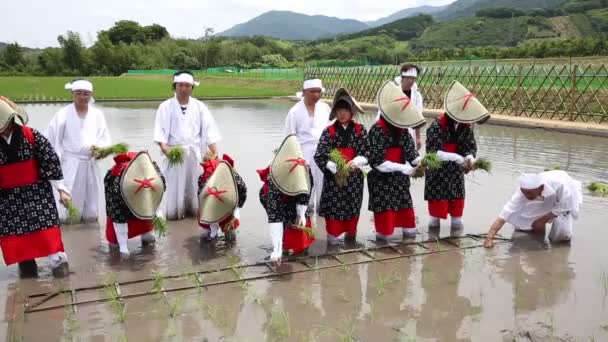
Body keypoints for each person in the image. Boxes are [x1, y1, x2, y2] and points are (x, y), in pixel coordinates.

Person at [0, 96, 70, 277]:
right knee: (20, 244)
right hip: (8, 200)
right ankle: (28, 280)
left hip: (37, 195)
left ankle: (61, 273)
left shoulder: (31, 136)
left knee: (49, 235)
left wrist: (62, 190)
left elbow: (51, 163)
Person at [153, 70, 222, 220]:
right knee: (173, 189)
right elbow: (160, 133)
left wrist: (215, 154)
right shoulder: (165, 107)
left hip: (195, 156)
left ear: (192, 88)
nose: (184, 89)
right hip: (175, 155)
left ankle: (194, 216)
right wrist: (166, 150)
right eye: (180, 85)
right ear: (175, 87)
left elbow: (209, 130)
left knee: (195, 186)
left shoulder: (200, 107)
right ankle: (172, 216)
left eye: (187, 86)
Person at [425, 80, 490, 230]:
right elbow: (433, 153)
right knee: (435, 216)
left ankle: (456, 243)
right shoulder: (437, 125)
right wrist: (456, 157)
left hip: (455, 174)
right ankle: (433, 245)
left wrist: (469, 158)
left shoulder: (465, 127)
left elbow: (470, 146)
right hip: (438, 174)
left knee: (457, 218)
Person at [45, 79, 112, 222]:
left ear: (91, 95)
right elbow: (50, 142)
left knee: (91, 209)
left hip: (91, 164)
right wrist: (54, 167)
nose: (83, 97)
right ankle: (68, 236)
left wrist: (101, 150)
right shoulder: (62, 114)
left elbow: (105, 138)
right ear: (72, 94)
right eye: (79, 93)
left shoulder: (97, 115)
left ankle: (89, 236)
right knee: (68, 208)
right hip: (70, 164)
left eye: (86, 94)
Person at [367, 79, 426, 240]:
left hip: (400, 182)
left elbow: (411, 155)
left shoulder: (403, 131)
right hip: (381, 182)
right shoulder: (377, 130)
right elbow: (377, 162)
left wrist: (421, 163)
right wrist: (402, 168)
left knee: (409, 226)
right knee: (385, 228)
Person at [314, 88, 369, 245]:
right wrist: (334, 166)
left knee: (352, 209)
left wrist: (356, 161)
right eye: (339, 110)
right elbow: (320, 155)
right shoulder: (329, 131)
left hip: (354, 180)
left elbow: (367, 153)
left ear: (351, 111)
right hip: (334, 181)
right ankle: (332, 242)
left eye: (345, 109)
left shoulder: (360, 130)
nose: (342, 113)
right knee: (334, 212)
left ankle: (351, 241)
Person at [484, 170, 583, 247]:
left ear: (541, 187)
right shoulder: (522, 193)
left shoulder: (560, 185)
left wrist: (544, 219)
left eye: (529, 193)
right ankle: (538, 239)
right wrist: (489, 237)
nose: (526, 195)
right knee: (528, 217)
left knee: (562, 236)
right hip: (544, 195)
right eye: (524, 192)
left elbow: (566, 205)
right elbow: (504, 215)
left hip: (564, 199)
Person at [258, 135, 314, 264]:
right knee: (282, 223)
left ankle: (300, 251)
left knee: (300, 224)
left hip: (296, 197)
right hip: (275, 198)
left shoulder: (305, 170)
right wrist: (276, 249)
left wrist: (301, 213)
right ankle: (281, 248)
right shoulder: (274, 178)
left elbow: (305, 192)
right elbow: (275, 215)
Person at [104, 151, 166, 257]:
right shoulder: (115, 182)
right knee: (115, 246)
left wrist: (158, 215)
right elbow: (116, 214)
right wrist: (123, 247)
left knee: (149, 239)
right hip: (120, 204)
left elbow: (157, 197)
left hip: (144, 199)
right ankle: (120, 247)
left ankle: (147, 235)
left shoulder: (154, 177)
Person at [284, 78, 331, 212]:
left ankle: (322, 216)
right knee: (305, 184)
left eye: (318, 92)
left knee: (323, 183)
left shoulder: (325, 108)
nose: (316, 95)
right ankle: (305, 213)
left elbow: (331, 130)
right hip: (303, 152)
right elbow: (289, 137)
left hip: (323, 151)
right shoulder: (294, 111)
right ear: (304, 92)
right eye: (312, 92)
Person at [197, 150, 247, 242]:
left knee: (208, 234)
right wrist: (238, 205)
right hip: (227, 204)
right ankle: (229, 250)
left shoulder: (202, 177)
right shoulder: (232, 174)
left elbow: (201, 196)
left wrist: (202, 211)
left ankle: (210, 244)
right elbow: (242, 189)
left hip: (211, 209)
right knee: (230, 232)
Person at [375, 64, 424, 150]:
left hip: (409, 131)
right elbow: (382, 112)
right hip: (391, 130)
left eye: (413, 79)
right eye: (408, 78)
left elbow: (418, 117)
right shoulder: (392, 92)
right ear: (403, 77)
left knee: (409, 157)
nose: (411, 81)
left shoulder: (416, 96)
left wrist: (418, 138)